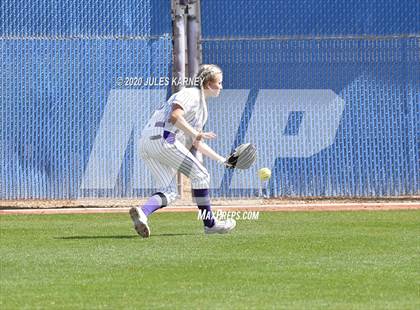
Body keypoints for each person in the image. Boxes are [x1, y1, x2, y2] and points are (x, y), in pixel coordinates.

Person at [129, 64, 236, 238]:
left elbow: (196, 142)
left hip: (147, 141)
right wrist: (195, 133)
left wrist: (221, 159)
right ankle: (210, 224)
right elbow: (175, 116)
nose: (221, 87)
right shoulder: (192, 93)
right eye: (219, 83)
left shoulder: (202, 109)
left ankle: (142, 213)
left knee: (171, 191)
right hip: (163, 136)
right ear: (208, 84)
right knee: (201, 175)